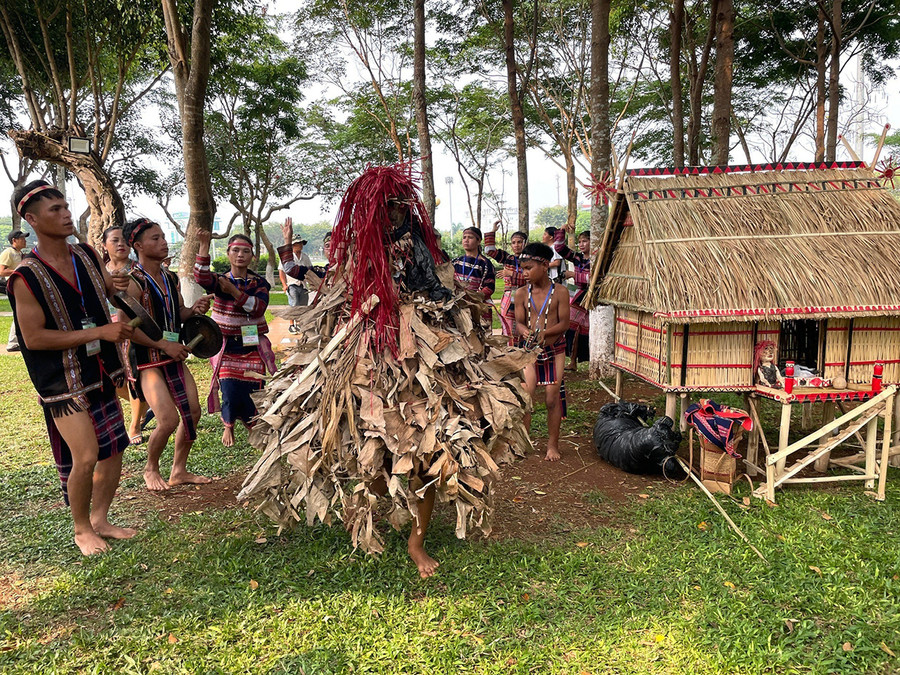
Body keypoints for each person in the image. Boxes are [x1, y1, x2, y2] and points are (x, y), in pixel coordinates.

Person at [7, 180, 136, 555]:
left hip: (100, 370)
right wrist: (101, 330)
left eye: (66, 207)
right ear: (30, 219)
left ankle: (100, 520)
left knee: (114, 448)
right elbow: (34, 339)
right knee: (86, 455)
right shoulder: (25, 277)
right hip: (62, 382)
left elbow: (109, 293)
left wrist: (118, 288)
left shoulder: (87, 255)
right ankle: (82, 529)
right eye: (55, 210)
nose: (66, 215)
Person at [122, 218, 212, 491]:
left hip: (172, 355)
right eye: (155, 238)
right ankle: (151, 468)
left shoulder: (169, 277)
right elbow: (125, 328)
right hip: (149, 360)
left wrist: (194, 310)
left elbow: (178, 312)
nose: (163, 242)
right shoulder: (134, 282)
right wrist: (163, 344)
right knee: (168, 419)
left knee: (193, 412)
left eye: (163, 237)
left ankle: (178, 470)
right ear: (137, 246)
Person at [194, 230, 275, 447]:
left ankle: (254, 423)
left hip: (252, 346)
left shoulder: (259, 284)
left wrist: (233, 291)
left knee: (255, 388)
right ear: (228, 253)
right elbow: (201, 276)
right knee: (229, 387)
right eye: (235, 250)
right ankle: (228, 424)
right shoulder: (219, 281)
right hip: (226, 346)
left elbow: (258, 309)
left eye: (245, 251)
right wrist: (203, 245)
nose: (240, 255)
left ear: (252, 256)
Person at [515, 242, 570, 462]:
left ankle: (552, 444)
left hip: (554, 350)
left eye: (529, 268)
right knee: (527, 394)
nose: (524, 273)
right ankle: (524, 442)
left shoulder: (560, 292)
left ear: (545, 265)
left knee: (551, 397)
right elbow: (518, 322)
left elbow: (564, 323)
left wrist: (544, 333)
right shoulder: (520, 294)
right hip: (529, 351)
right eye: (523, 268)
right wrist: (526, 331)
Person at [101, 225, 150, 445]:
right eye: (114, 241)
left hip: (133, 333)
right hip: (106, 334)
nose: (121, 244)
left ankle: (134, 425)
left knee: (133, 380)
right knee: (115, 380)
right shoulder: (100, 272)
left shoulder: (139, 271)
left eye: (124, 240)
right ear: (104, 245)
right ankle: (144, 408)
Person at [554, 226, 590, 372]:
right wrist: (561, 230)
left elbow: (595, 279)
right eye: (580, 241)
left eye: (585, 241)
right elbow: (559, 247)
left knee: (588, 330)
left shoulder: (600, 259)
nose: (581, 244)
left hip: (593, 295)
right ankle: (573, 361)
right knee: (572, 328)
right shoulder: (577, 257)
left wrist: (574, 275)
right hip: (579, 295)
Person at [484, 220, 526, 339]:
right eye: (513, 242)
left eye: (519, 242)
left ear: (525, 243)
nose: (516, 245)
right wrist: (493, 231)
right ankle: (510, 352)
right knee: (508, 327)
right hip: (509, 297)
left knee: (525, 325)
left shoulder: (530, 259)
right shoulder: (508, 258)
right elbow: (489, 251)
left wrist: (511, 273)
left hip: (527, 295)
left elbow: (531, 279)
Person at [452, 226, 495, 325]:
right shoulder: (456, 262)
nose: (466, 240)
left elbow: (489, 287)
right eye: (464, 237)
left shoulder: (485, 263)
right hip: (459, 307)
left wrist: (473, 298)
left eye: (470, 237)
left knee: (481, 337)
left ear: (478, 241)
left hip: (480, 307)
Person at [1, 229, 29, 351]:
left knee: (21, 313)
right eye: (22, 238)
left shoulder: (19, 253)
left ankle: (16, 340)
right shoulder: (9, 252)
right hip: (13, 286)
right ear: (14, 241)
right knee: (19, 313)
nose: (24, 240)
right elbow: (1, 271)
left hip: (19, 287)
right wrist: (19, 271)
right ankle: (13, 342)